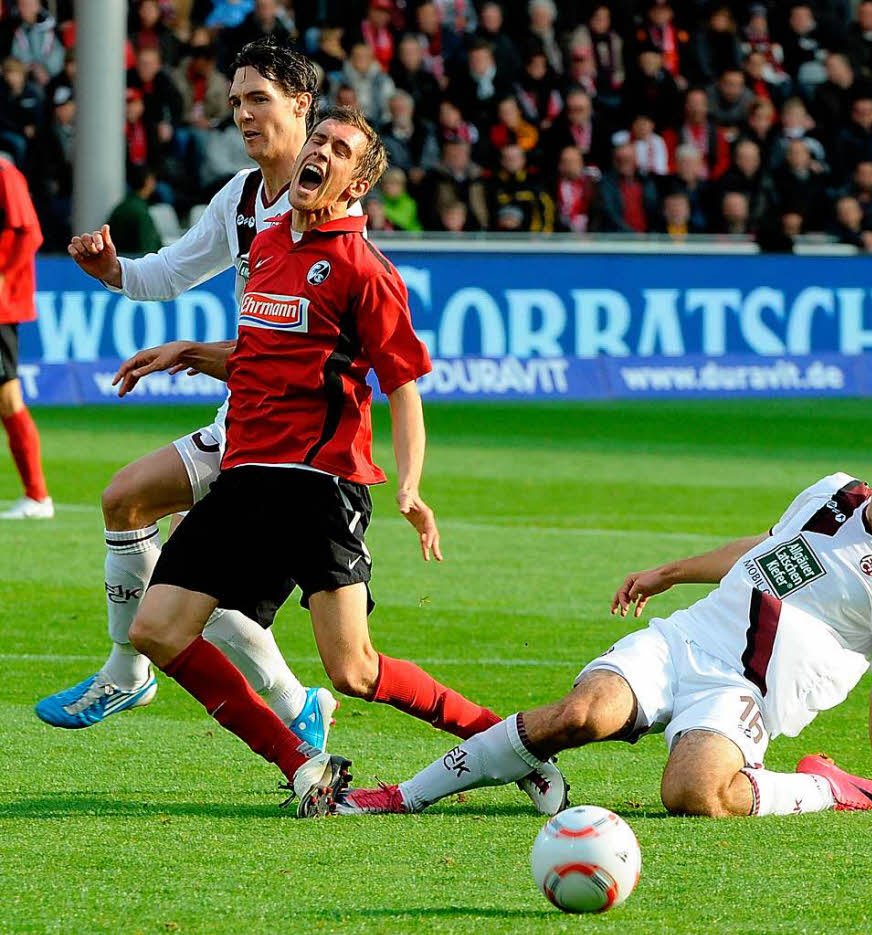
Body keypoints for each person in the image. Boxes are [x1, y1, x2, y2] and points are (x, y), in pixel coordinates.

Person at [113, 106, 565, 818]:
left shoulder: (364, 269)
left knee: (353, 668)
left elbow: (404, 385)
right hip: (245, 478)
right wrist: (191, 354)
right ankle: (304, 767)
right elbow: (266, 354)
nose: (319, 150)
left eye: (339, 148)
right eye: (318, 139)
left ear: (355, 184)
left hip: (321, 488)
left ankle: (509, 746)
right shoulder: (263, 244)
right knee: (156, 630)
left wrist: (411, 485)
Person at [332, 400, 872, 819]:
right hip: (686, 641)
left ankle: (830, 788)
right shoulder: (836, 492)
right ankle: (402, 796)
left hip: (748, 691)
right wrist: (669, 572)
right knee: (581, 714)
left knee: (695, 795)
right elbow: (766, 546)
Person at [36, 41, 340, 743]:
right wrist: (113, 269)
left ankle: (129, 672)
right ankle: (299, 707)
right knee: (197, 585)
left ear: (301, 105)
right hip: (246, 421)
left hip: (294, 441)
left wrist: (198, 354)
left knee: (153, 531)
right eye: (235, 101)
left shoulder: (323, 205)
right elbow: (166, 274)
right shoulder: (239, 198)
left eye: (258, 98)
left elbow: (307, 352)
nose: (242, 113)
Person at [0, 155, 49, 519]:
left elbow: (30, 232)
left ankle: (36, 496)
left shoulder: (4, 173)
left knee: (8, 397)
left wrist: (3, 275)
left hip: (1, 307)